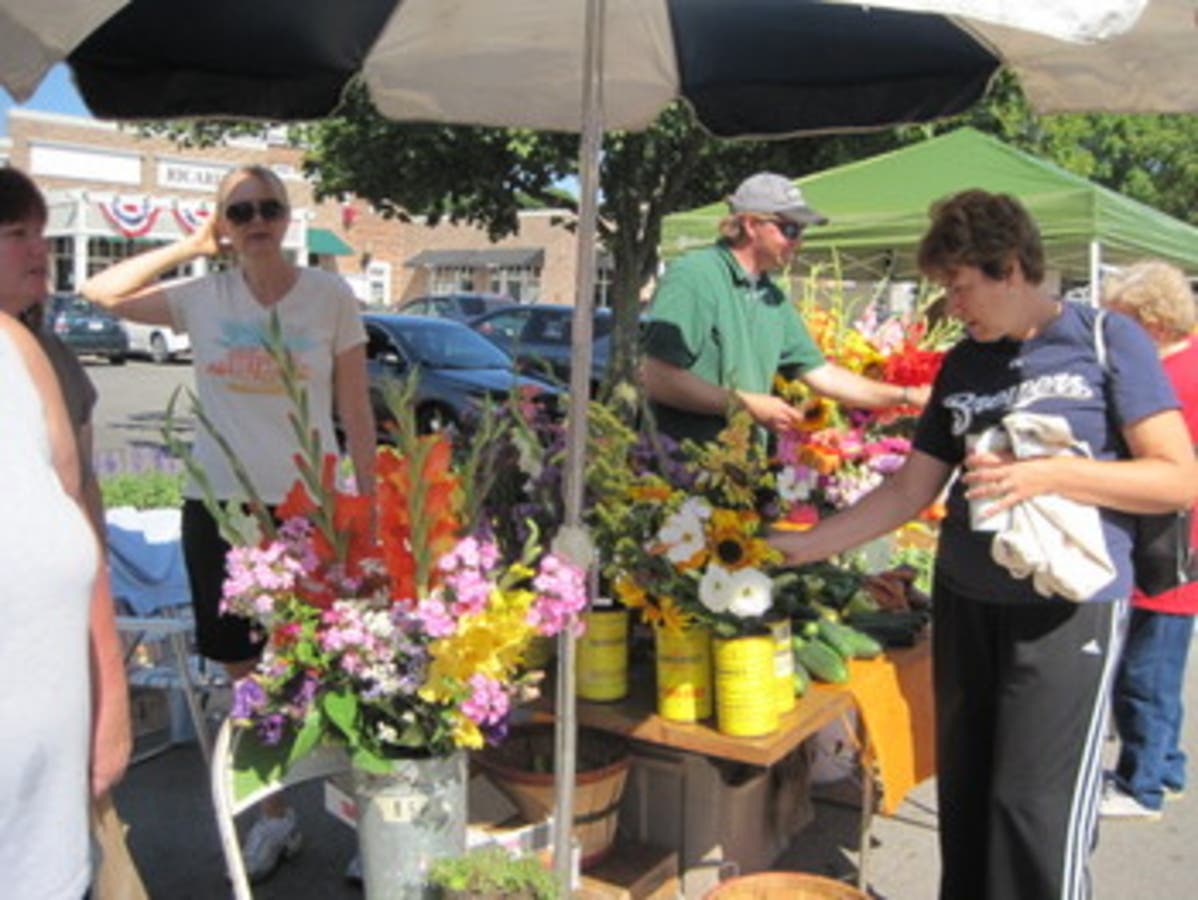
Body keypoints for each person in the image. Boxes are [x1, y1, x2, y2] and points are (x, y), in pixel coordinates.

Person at [770, 189, 1198, 899]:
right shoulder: (964, 365)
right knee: (967, 800)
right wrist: (800, 547)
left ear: (1010, 267)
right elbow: (910, 490)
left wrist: (1053, 474)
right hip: (967, 601)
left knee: (1033, 809)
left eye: (961, 287)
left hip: (1069, 609)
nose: (953, 307)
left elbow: (1177, 478)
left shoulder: (1104, 339)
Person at [81, 164, 377, 882]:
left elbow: (356, 410)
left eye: (269, 207)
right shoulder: (201, 296)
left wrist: (367, 508)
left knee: (340, 658)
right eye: (240, 211)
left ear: (287, 217)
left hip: (307, 504)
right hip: (217, 503)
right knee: (242, 659)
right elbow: (99, 293)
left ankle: (366, 814)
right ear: (224, 224)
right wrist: (189, 246)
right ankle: (277, 819)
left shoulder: (329, 295)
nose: (256, 222)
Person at [0, 167, 132, 900]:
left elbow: (80, 517)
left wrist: (109, 699)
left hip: (44, 753)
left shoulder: (29, 354)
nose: (39, 251)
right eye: (17, 233)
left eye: (43, 235)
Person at [640, 171, 928, 445]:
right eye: (789, 229)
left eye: (801, 230)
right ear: (751, 225)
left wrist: (906, 395)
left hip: (739, 473)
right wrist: (746, 405)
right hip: (679, 472)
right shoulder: (695, 276)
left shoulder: (771, 296)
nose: (798, 242)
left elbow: (823, 375)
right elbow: (656, 377)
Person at [1098, 260, 1198, 821]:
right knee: (1161, 666)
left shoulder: (1175, 378)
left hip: (1171, 548)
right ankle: (1168, 766)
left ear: (1153, 322)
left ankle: (1144, 786)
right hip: (1179, 544)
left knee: (1146, 673)